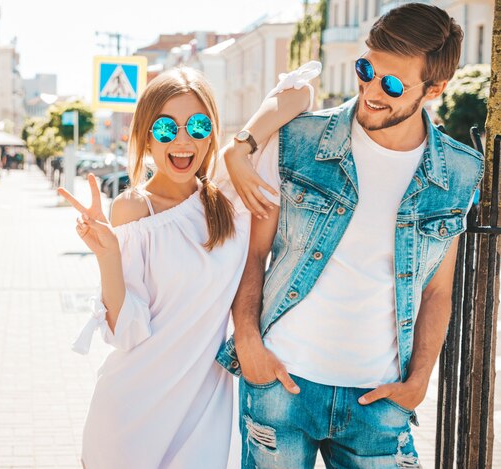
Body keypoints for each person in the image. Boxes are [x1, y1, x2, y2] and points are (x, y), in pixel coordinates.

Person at [217, 4, 484, 468]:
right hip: (282, 385)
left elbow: (439, 289)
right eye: (366, 69)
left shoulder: (460, 171)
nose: (371, 90)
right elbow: (254, 253)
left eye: (393, 84)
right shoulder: (299, 140)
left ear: (436, 89)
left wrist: (419, 380)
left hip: (380, 400)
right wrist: (248, 343)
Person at [60, 63, 320, 468]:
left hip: (204, 411)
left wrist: (240, 146)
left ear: (212, 131)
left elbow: (300, 92)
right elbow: (127, 330)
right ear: (146, 134)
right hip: (132, 415)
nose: (182, 141)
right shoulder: (133, 208)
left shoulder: (230, 194)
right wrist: (108, 255)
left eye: (197, 126)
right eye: (166, 129)